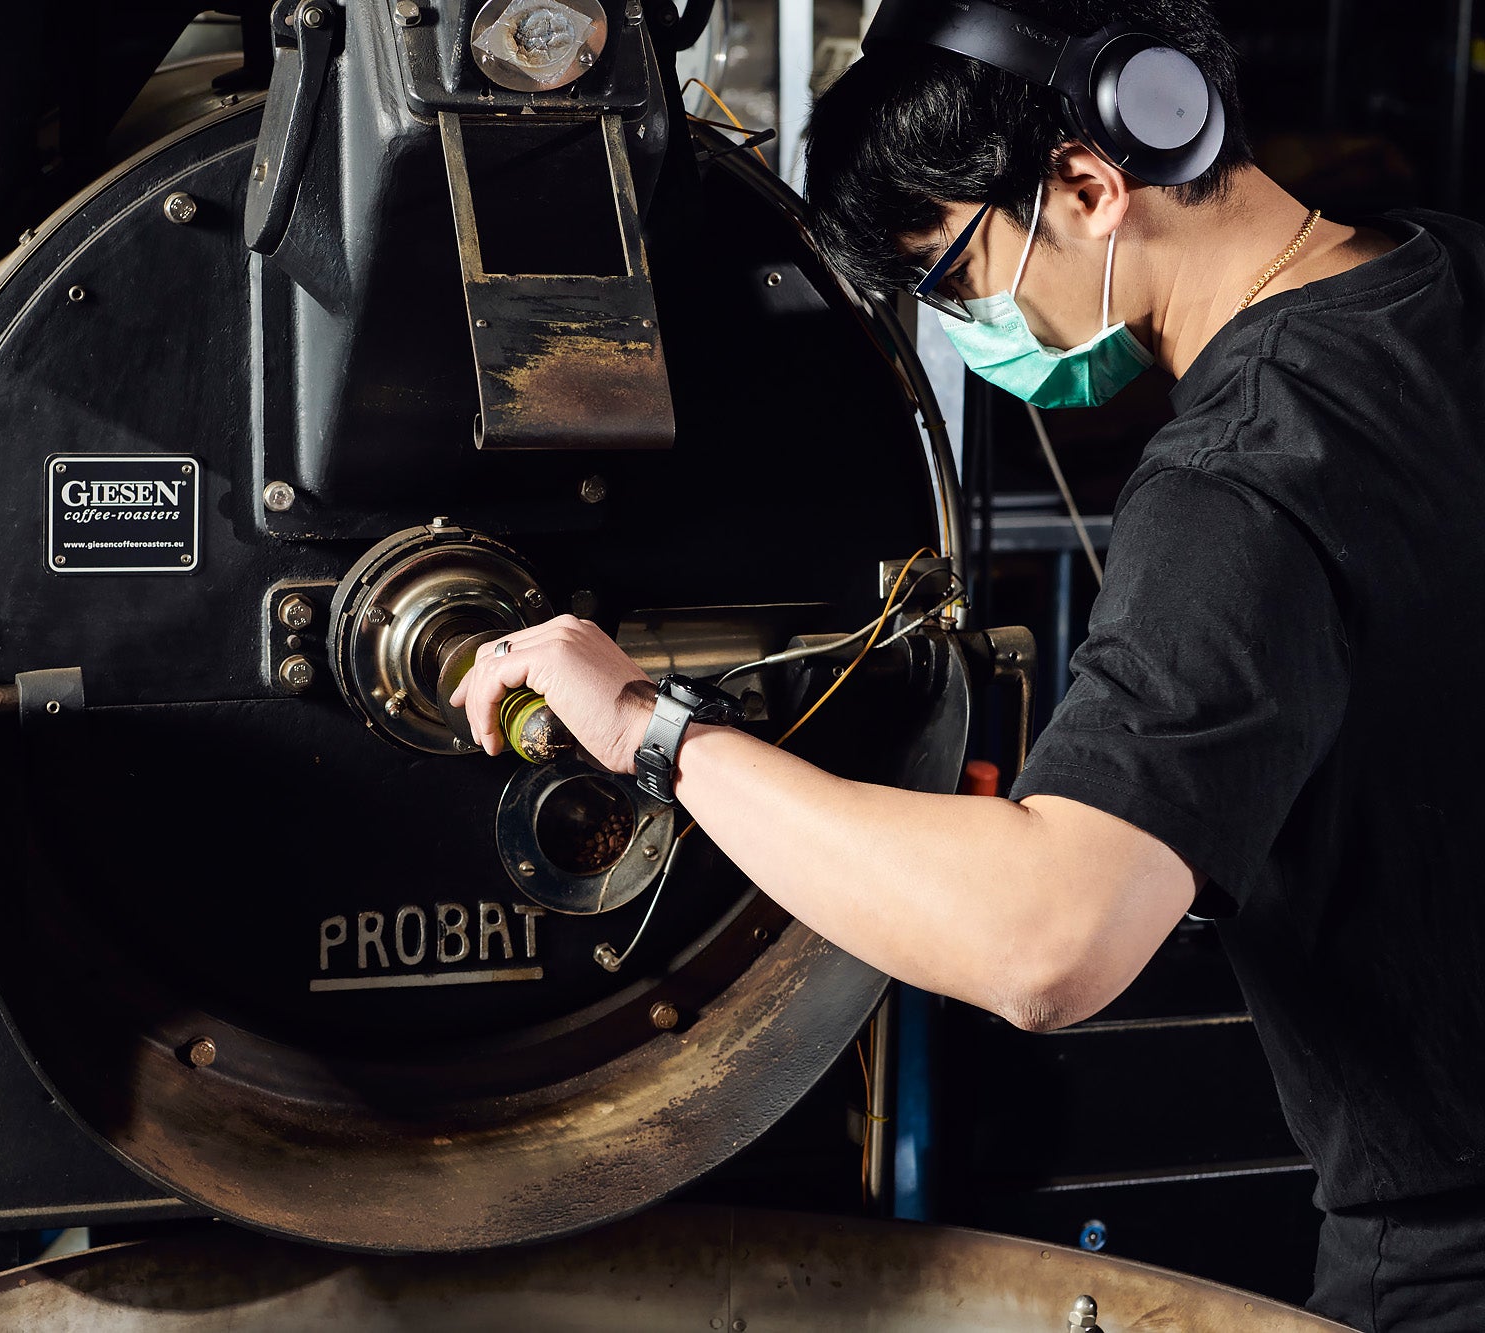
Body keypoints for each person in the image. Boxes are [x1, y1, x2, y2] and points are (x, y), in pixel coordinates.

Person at [450, 1, 1485, 1327]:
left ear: (1091, 184)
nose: (977, 336)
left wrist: (659, 731)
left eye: (951, 279)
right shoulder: (1446, 273)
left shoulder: (1250, 478)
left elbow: (1048, 940)